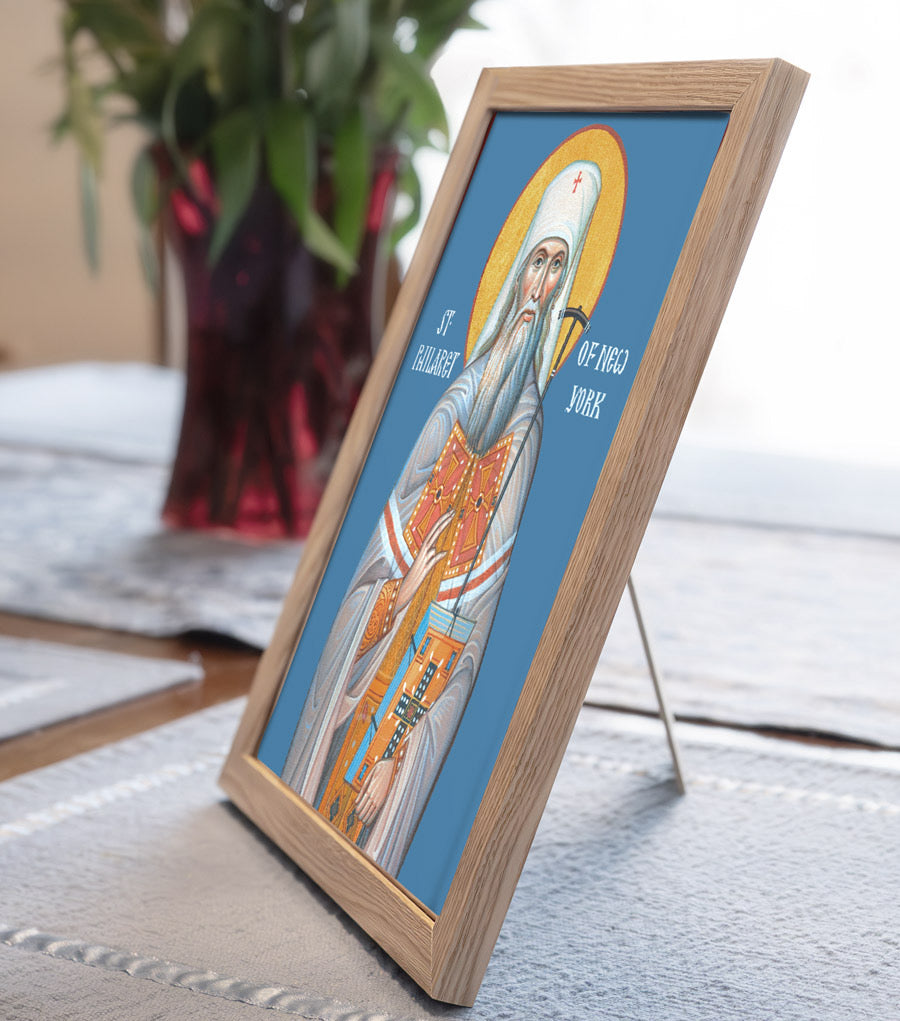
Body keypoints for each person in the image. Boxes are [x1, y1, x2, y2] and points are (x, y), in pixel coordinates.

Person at [281, 159, 602, 876]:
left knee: (362, 806)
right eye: (536, 264)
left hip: (423, 664)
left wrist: (396, 748)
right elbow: (390, 523)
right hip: (384, 624)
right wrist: (397, 583)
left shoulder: (526, 431)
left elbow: (472, 608)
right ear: (517, 273)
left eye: (558, 270)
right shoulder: (457, 398)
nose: (542, 284)